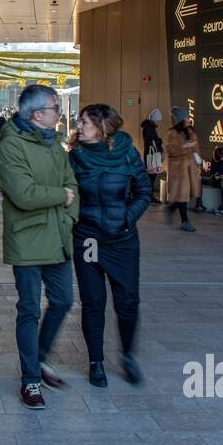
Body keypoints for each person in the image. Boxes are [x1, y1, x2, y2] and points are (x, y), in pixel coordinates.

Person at [0, 84, 79, 410]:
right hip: (28, 239)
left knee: (63, 301)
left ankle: (40, 359)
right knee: (29, 309)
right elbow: (23, 194)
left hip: (58, 235)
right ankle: (30, 379)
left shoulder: (55, 144)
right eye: (55, 108)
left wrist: (69, 216)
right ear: (37, 114)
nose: (60, 113)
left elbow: (71, 182)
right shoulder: (11, 146)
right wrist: (61, 197)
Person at [69, 104, 150, 387]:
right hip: (88, 239)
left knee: (127, 303)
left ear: (102, 127)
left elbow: (144, 191)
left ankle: (128, 356)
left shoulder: (127, 152)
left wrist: (127, 218)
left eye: (85, 122)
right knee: (93, 302)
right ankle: (96, 362)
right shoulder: (75, 157)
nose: (79, 126)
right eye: (79, 122)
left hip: (122, 240)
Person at [163, 107, 200, 232]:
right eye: (185, 117)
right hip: (179, 169)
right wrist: (184, 146)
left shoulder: (190, 131)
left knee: (186, 195)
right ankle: (185, 221)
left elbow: (195, 146)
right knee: (182, 195)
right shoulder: (172, 133)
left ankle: (172, 208)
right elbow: (170, 149)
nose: (187, 119)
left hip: (190, 168)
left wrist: (193, 148)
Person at [140, 108, 165, 205]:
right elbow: (151, 141)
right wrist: (159, 141)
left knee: (151, 176)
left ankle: (149, 196)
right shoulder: (149, 127)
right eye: (158, 119)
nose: (158, 121)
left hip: (149, 154)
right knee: (151, 176)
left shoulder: (148, 127)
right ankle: (149, 196)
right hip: (151, 155)